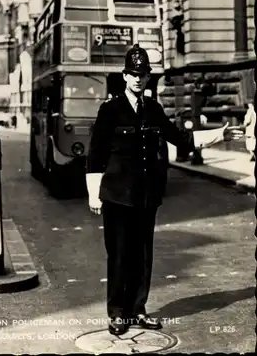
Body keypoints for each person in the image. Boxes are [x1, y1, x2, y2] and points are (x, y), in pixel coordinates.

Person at [86, 44, 243, 336]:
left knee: (143, 255)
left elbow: (180, 139)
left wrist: (219, 135)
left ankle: (138, 309)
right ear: (124, 76)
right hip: (117, 196)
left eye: (142, 74)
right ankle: (118, 313)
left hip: (146, 196)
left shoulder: (154, 109)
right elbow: (95, 154)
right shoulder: (110, 109)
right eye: (132, 73)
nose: (137, 78)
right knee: (120, 254)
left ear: (147, 78)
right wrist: (94, 193)